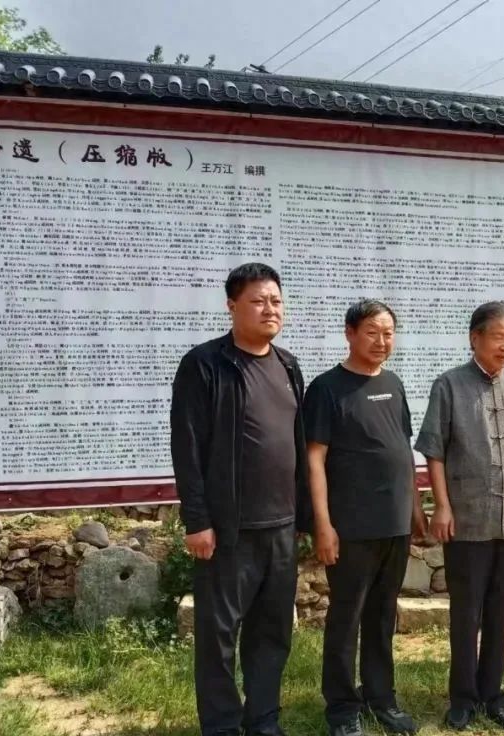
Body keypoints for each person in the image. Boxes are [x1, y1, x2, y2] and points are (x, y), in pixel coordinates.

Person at [170, 262, 311, 736]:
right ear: (232, 306)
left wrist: (303, 517)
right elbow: (187, 446)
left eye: (276, 301)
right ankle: (222, 726)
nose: (270, 309)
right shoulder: (205, 364)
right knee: (219, 636)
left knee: (272, 633)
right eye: (258, 301)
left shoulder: (288, 365)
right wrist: (197, 520)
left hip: (281, 527)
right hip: (229, 531)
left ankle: (263, 720)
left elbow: (296, 443)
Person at [415, 301, 504, 733]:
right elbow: (434, 451)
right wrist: (442, 506)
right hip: (467, 520)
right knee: (466, 612)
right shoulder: (449, 386)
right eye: (498, 337)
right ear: (475, 338)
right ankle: (462, 698)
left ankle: (493, 694)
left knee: (499, 611)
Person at [304, 299, 428, 736]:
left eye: (388, 333)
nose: (381, 341)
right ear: (350, 334)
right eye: (372, 332)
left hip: (394, 524)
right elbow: (314, 460)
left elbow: (403, 450)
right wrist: (323, 524)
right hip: (351, 527)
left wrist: (415, 507)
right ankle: (342, 708)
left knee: (382, 614)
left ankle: (381, 698)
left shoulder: (393, 384)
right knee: (346, 618)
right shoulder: (327, 389)